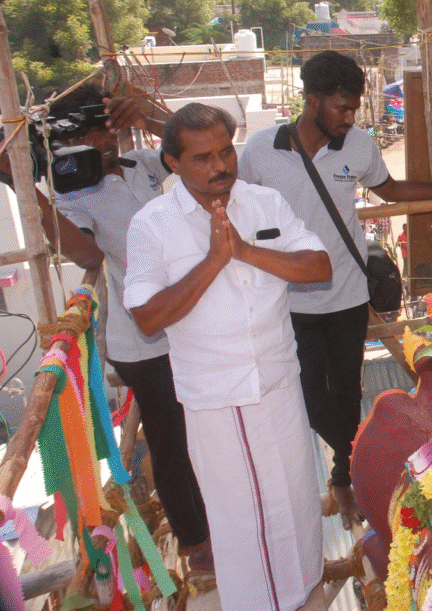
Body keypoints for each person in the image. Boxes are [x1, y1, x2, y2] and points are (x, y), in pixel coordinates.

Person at [238, 50, 432, 529]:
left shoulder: (358, 145)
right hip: (284, 299)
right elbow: (234, 206)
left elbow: (392, 192)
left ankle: (345, 481)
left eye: (354, 109)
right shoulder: (261, 150)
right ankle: (360, 449)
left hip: (345, 294)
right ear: (312, 100)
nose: (349, 118)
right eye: (341, 108)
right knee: (305, 395)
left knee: (347, 389)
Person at [124, 103, 332, 611]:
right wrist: (215, 260)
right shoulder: (152, 225)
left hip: (279, 383)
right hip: (217, 398)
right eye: (202, 158)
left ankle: (305, 595)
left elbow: (319, 266)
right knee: (243, 520)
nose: (220, 166)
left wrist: (244, 250)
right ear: (172, 162)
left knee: (297, 502)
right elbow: (148, 318)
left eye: (225, 152)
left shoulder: (264, 203)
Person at [11, 84, 215, 570]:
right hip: (142, 340)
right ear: (64, 145)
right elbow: (85, 255)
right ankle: (196, 540)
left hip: (190, 322)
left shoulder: (140, 164)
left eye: (107, 132)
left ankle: (216, 519)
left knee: (205, 430)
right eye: (91, 136)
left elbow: (191, 145)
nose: (104, 144)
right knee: (172, 442)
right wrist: (31, 192)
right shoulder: (73, 199)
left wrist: (143, 116)